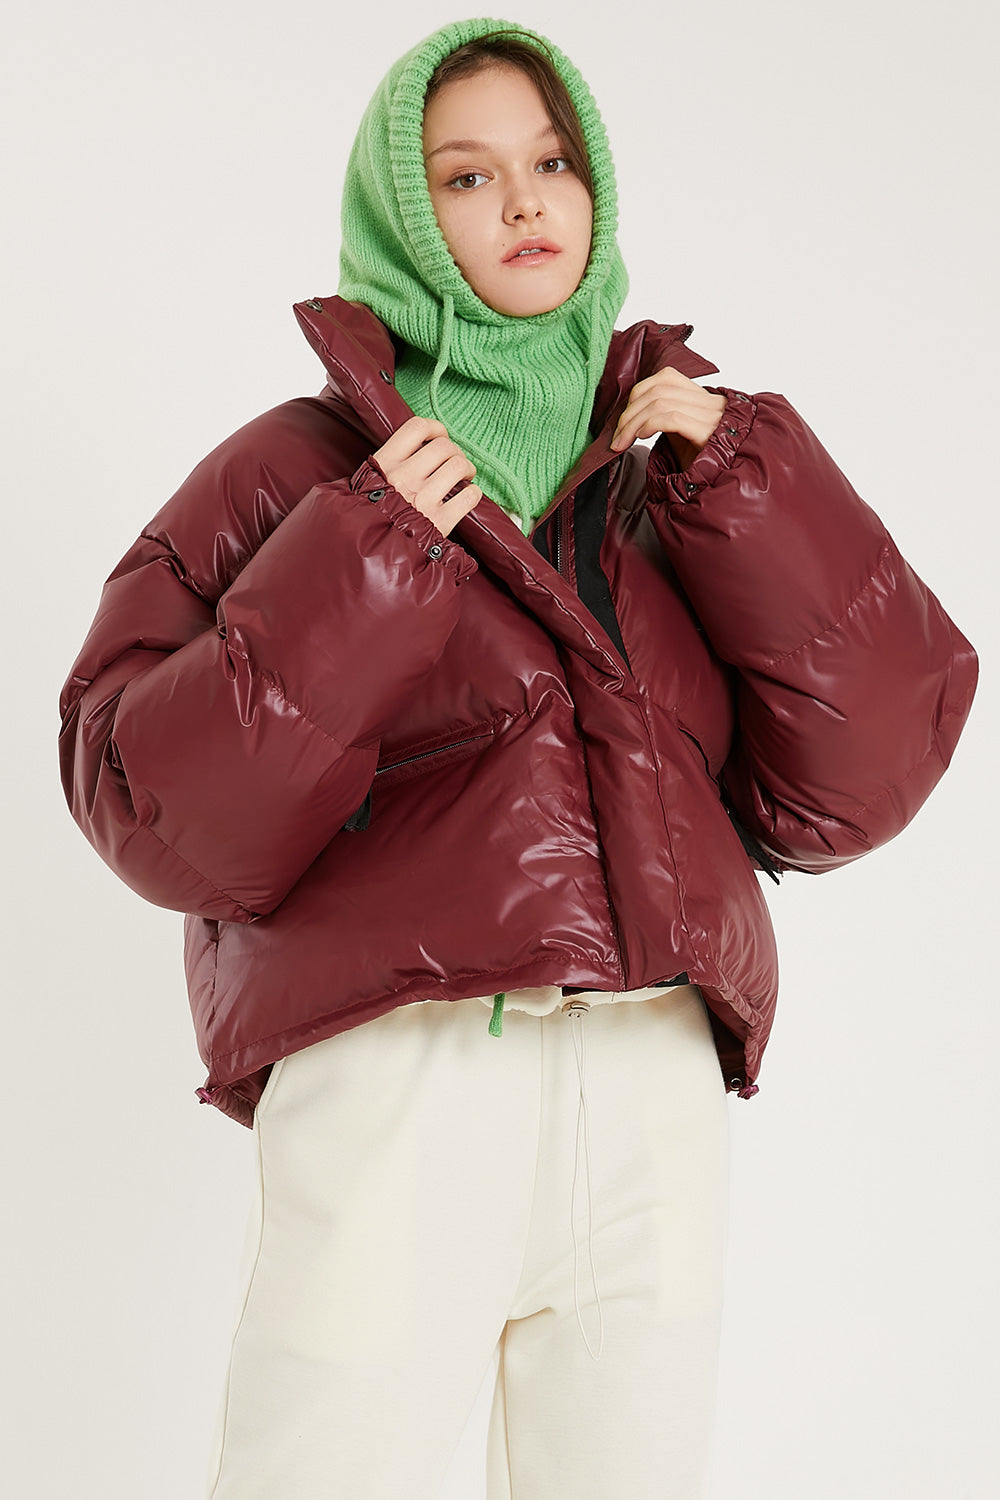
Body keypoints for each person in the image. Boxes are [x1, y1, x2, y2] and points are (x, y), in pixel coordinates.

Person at [57, 16, 977, 1500]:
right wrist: (364, 559)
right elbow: (150, 811)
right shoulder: (296, 470)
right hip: (402, 1065)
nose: (526, 203)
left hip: (653, 1073)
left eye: (553, 164)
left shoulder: (675, 463)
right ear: (404, 219)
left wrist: (749, 489)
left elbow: (863, 780)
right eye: (468, 178)